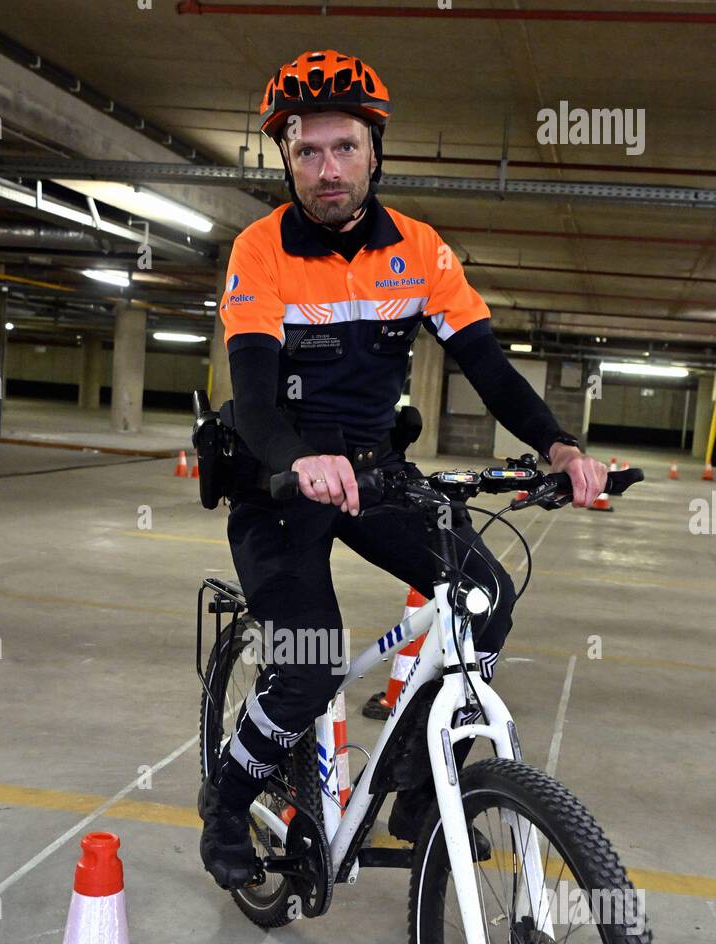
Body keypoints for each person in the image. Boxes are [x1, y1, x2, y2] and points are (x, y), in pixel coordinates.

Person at [200, 49, 607, 889]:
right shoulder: (260, 249)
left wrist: (557, 446)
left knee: (484, 600)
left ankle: (420, 787)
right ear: (283, 154)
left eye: (343, 147)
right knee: (309, 665)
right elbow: (255, 394)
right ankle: (227, 795)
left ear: (375, 147)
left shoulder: (419, 250)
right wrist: (296, 461)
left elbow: (488, 367)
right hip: (277, 481)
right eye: (306, 151)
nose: (326, 169)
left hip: (375, 472)